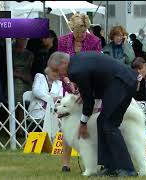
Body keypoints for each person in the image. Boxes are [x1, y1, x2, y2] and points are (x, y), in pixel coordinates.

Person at [48, 51, 138, 177]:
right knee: (102, 122)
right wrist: (84, 93)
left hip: (122, 83)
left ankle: (127, 169)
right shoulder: (77, 61)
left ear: (64, 63)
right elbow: (94, 84)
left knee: (109, 124)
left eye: (57, 70)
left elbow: (88, 101)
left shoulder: (75, 70)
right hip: (122, 81)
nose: (59, 75)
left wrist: (83, 122)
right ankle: (109, 166)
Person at [57, 13, 102, 172]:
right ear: (72, 29)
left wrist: (85, 90)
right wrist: (69, 82)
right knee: (68, 123)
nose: (80, 35)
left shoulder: (95, 41)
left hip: (89, 88)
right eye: (77, 32)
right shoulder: (63, 41)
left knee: (90, 123)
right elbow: (61, 66)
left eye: (83, 32)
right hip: (69, 87)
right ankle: (65, 163)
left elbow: (97, 68)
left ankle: (95, 160)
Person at [28, 66, 63, 140]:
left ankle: (54, 141)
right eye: (53, 71)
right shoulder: (39, 77)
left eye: (57, 72)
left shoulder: (59, 83)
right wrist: (50, 99)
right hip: (38, 110)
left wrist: (54, 99)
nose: (55, 74)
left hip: (53, 112)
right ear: (48, 71)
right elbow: (36, 92)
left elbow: (60, 97)